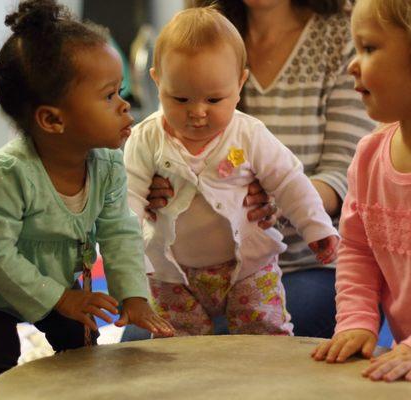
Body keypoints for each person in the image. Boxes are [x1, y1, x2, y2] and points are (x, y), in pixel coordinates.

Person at [0, 1, 174, 398]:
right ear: (53, 120)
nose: (125, 105)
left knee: (79, 340)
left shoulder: (108, 161)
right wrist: (60, 297)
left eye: (122, 91)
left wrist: (133, 294)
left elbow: (118, 230)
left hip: (51, 269)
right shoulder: (7, 174)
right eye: (110, 95)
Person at [122, 0, 375, 341]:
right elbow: (126, 199)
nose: (197, 113)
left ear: (238, 84)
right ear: (158, 83)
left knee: (254, 339)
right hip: (175, 273)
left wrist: (311, 225)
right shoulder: (199, 40)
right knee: (154, 350)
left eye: (213, 100)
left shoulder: (339, 38)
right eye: (181, 99)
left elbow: (300, 177)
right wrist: (130, 256)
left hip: (279, 263)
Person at [312, 0, 411, 383]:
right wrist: (357, 321)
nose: (353, 64)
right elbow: (357, 249)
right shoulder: (370, 156)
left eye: (368, 48)